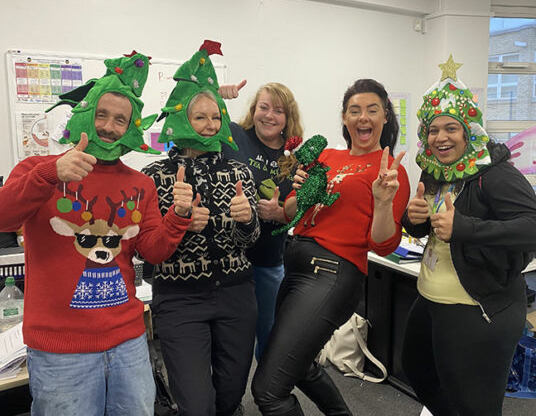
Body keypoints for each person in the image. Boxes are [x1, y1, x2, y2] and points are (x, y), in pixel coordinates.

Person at [0, 52, 193, 415]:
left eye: (120, 120)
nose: (109, 127)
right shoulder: (39, 169)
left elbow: (154, 251)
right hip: (60, 348)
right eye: (102, 115)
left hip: (127, 340)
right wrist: (50, 174)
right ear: (84, 115)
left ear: (131, 128)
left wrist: (179, 215)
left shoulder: (140, 184)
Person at [400, 56, 536, 416]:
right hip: (431, 299)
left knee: (475, 403)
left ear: (469, 130)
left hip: (478, 308)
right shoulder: (436, 170)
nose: (441, 137)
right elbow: (435, 230)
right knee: (419, 374)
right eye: (433, 130)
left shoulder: (494, 173)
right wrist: (416, 220)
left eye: (451, 128)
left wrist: (465, 228)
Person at [251, 78, 410, 415]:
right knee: (301, 364)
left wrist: (383, 203)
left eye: (372, 110)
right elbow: (291, 211)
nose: (362, 117)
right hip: (293, 264)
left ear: (385, 118)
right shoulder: (327, 155)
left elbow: (383, 245)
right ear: (344, 117)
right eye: (355, 110)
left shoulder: (389, 171)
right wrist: (298, 190)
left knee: (268, 390)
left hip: (332, 273)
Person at [142, 41, 260, 416]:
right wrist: (176, 223)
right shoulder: (154, 176)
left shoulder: (239, 172)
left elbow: (250, 240)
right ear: (181, 121)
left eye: (215, 117)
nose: (210, 125)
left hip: (237, 294)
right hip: (180, 300)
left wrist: (248, 221)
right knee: (196, 404)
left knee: (230, 395)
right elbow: (148, 247)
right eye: (200, 117)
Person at [219, 80, 303, 359]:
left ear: (288, 118)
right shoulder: (232, 134)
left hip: (268, 260)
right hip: (227, 259)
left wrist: (279, 214)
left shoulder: (295, 158)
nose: (269, 116)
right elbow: (186, 113)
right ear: (253, 110)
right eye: (263, 108)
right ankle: (229, 399)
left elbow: (302, 213)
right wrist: (213, 92)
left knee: (269, 334)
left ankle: (268, 397)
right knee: (229, 337)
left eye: (278, 111)